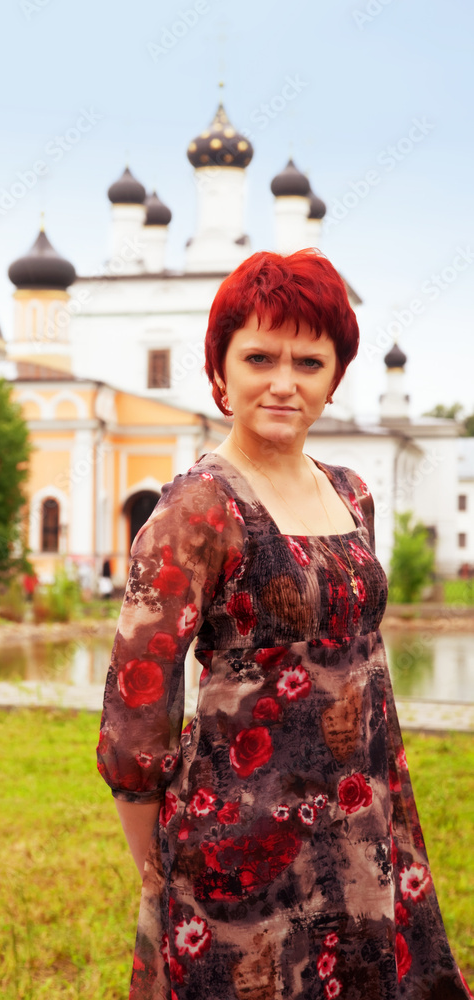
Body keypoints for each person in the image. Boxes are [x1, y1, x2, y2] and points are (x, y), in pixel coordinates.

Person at [97, 249, 473, 1000]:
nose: (283, 382)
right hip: (240, 853)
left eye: (308, 362)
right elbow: (137, 712)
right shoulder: (197, 509)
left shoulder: (351, 493)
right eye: (259, 357)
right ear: (220, 369)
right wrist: (159, 870)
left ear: (334, 378)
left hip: (362, 831)